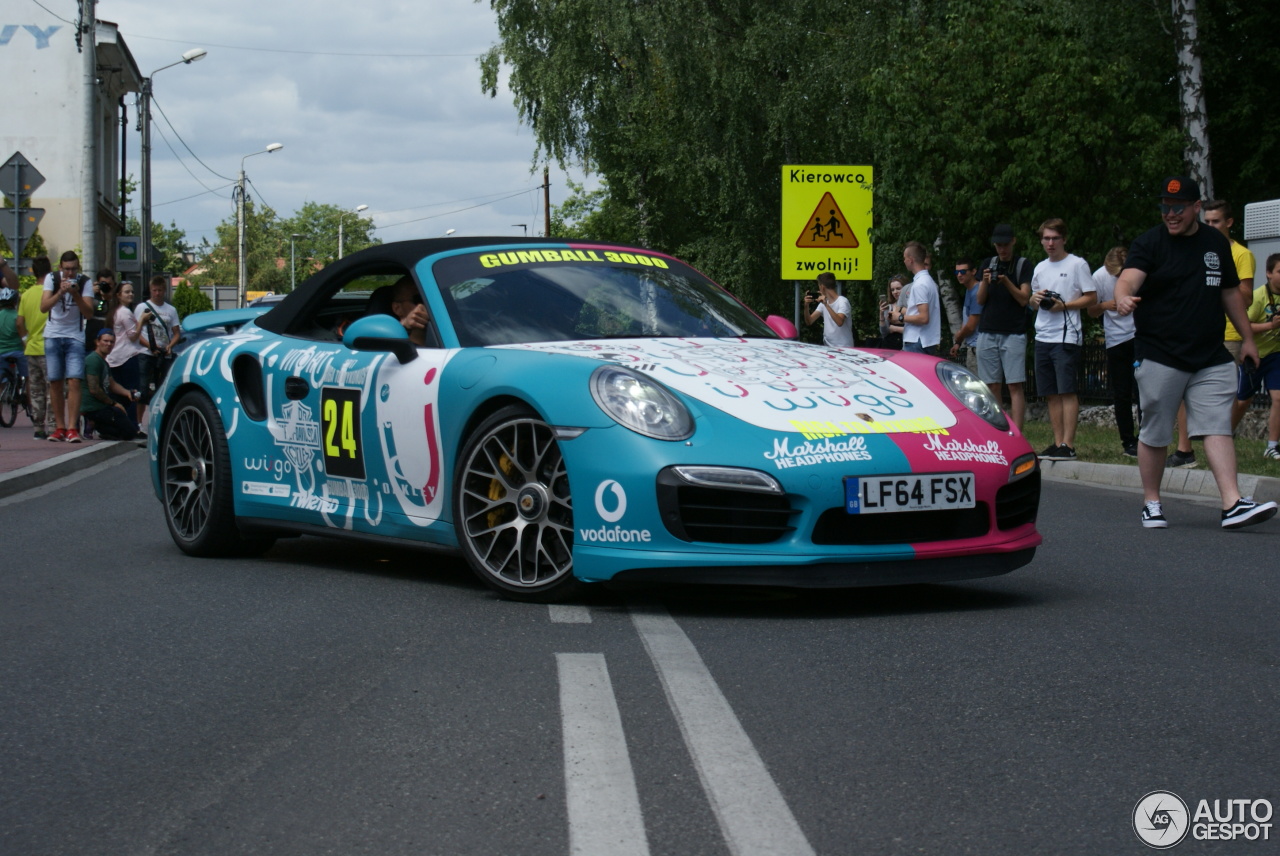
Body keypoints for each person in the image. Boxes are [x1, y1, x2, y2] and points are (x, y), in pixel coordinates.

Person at [1114, 175, 1277, 530]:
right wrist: (1124, 295)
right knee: (1156, 430)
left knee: (1217, 423)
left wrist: (1248, 339)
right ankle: (1152, 502)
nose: (1170, 214)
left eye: (1177, 208)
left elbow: (1231, 294)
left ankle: (1232, 503)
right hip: (1160, 352)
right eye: (1164, 207)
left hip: (1210, 354)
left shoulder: (1215, 243)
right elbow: (1128, 278)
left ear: (1196, 207)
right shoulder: (1150, 243)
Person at [1166, 199, 1257, 469]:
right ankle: (1185, 450)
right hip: (1193, 330)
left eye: (1216, 221)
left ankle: (1218, 446)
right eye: (1207, 221)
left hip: (1228, 333)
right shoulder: (1196, 247)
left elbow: (1247, 297)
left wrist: (1214, 285)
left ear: (1229, 223)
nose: (1211, 226)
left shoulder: (1240, 254)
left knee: (1223, 396)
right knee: (1183, 389)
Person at [1029, 219, 1096, 460]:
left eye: (1054, 238)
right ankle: (1058, 443)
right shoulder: (1039, 268)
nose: (1050, 243)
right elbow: (1033, 299)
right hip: (1043, 335)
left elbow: (1091, 297)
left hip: (1066, 335)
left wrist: (1065, 305)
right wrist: (1033, 301)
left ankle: (1069, 444)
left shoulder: (1077, 264)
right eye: (1046, 238)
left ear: (1064, 239)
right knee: (1050, 392)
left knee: (1066, 390)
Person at [975, 223, 1033, 430]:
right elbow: (980, 300)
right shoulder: (987, 264)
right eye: (998, 245)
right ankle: (999, 428)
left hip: (1013, 332)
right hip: (988, 331)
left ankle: (1017, 431)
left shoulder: (1023, 265)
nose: (1002, 249)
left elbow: (1024, 298)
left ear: (1013, 242)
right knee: (991, 385)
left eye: (1006, 244)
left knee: (1015, 384)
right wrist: (985, 281)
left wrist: (1006, 281)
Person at [1087, 246, 1140, 457]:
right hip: (1115, 339)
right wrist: (1104, 305)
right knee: (1121, 393)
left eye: (1121, 273)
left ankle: (1146, 438)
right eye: (1115, 273)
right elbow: (1091, 311)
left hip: (1137, 334)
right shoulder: (1099, 276)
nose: (1118, 277)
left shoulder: (1136, 272)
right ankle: (1128, 441)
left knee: (1143, 390)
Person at [40, 251, 94, 442]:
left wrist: (75, 293)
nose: (70, 273)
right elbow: (44, 306)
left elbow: (88, 313)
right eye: (66, 269)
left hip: (75, 336)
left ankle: (72, 428)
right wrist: (61, 292)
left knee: (74, 381)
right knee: (55, 381)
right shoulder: (51, 279)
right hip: (53, 335)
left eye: (73, 269)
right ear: (60, 268)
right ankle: (59, 427)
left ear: (78, 268)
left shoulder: (85, 282)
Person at [1230, 254, 1280, 456]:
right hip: (1254, 356)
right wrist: (1270, 325)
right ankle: (1225, 435)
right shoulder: (1258, 296)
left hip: (1276, 355)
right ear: (1268, 274)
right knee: (1243, 401)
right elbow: (1244, 324)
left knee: (1278, 398)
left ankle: (1271, 446)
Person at [79, 328, 143, 441]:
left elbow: (112, 384)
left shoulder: (103, 361)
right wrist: (114, 404)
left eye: (111, 342)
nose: (109, 344)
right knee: (129, 433)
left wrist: (128, 393)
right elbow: (94, 389)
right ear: (97, 342)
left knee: (127, 398)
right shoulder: (93, 360)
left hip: (102, 404)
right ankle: (95, 423)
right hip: (93, 407)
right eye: (105, 341)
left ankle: (104, 425)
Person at [136, 275, 183, 428]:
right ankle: (139, 424)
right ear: (150, 291)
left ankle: (158, 423)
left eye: (160, 290)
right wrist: (151, 347)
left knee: (161, 389)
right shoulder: (142, 308)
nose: (157, 293)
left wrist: (170, 345)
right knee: (142, 389)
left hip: (164, 354)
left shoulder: (171, 310)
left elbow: (176, 332)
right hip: (146, 353)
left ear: (164, 291)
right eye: (154, 290)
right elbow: (136, 333)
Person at [16, 256, 53, 438]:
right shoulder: (51, 294)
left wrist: (25, 339)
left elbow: (19, 322)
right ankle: (54, 427)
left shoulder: (27, 294)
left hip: (31, 348)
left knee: (36, 390)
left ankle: (38, 427)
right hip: (49, 348)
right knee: (52, 389)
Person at [107, 281, 147, 422]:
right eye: (126, 292)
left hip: (114, 357)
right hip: (127, 357)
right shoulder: (125, 312)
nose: (130, 294)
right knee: (132, 393)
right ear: (118, 295)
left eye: (132, 292)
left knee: (117, 394)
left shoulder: (115, 311)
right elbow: (133, 336)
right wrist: (142, 320)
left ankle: (118, 423)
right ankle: (131, 425)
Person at [897, 241, 940, 355]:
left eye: (905, 258)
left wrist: (900, 317)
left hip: (916, 340)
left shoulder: (919, 284)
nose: (904, 261)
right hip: (927, 340)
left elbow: (923, 318)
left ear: (911, 260)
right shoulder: (929, 281)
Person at [948, 258, 982, 372]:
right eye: (956, 272)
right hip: (972, 346)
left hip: (978, 347)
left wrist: (959, 336)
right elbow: (966, 320)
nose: (959, 275)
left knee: (979, 387)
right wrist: (958, 343)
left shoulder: (977, 291)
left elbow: (971, 325)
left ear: (973, 271)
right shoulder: (969, 290)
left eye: (963, 272)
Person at [803, 272, 855, 348]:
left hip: (844, 347)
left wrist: (826, 305)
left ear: (822, 287)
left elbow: (839, 322)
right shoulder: (823, 303)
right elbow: (809, 321)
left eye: (819, 286)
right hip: (828, 347)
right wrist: (806, 306)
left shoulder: (842, 301)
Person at [389, 275, 430, 347]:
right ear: (397, 308)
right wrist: (409, 328)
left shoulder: (451, 324)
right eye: (418, 299)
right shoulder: (389, 338)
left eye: (428, 299)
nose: (424, 305)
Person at [83, 268, 115, 350]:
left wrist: (109, 298)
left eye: (109, 284)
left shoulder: (117, 297)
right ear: (97, 283)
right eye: (103, 284)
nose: (106, 286)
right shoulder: (93, 298)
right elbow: (99, 309)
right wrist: (90, 293)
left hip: (110, 343)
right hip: (92, 340)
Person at [877, 274, 908, 348]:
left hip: (906, 345)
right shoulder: (890, 307)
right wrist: (881, 315)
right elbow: (884, 332)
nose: (895, 292)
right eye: (892, 290)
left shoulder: (912, 307)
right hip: (890, 346)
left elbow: (915, 331)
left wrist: (895, 329)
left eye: (898, 288)